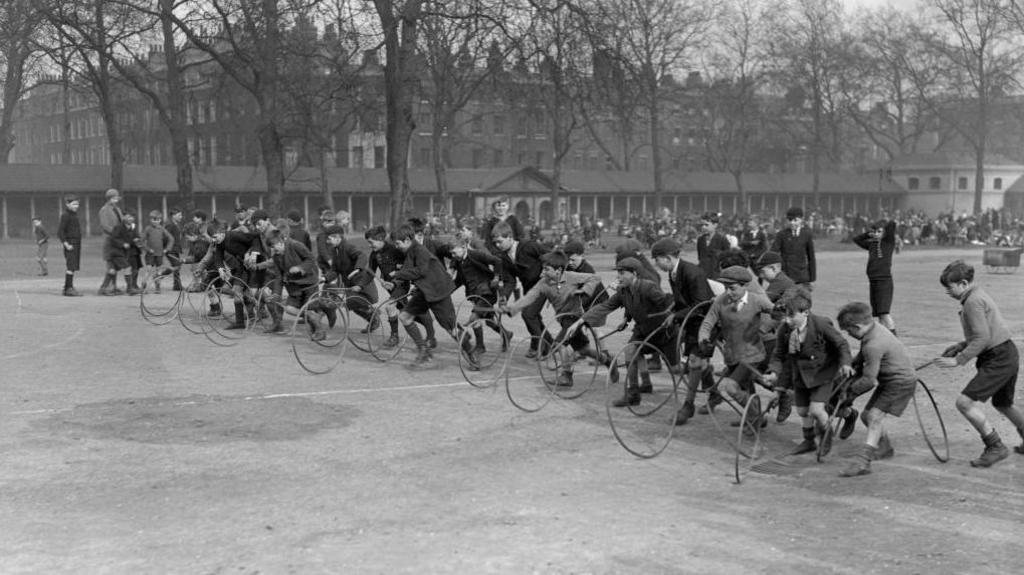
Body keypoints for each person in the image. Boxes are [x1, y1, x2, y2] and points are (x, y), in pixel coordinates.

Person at [936, 260, 1024, 468]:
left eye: (949, 287)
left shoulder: (972, 302)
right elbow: (983, 333)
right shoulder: (977, 295)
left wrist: (959, 360)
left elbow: (982, 338)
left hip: (998, 358)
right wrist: (961, 345)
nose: (947, 292)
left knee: (964, 403)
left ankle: (995, 446)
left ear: (964, 283)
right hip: (1006, 352)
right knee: (1003, 403)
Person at [574, 257, 676, 407]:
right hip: (642, 330)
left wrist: (674, 315)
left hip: (663, 331)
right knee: (631, 351)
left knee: (677, 369)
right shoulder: (623, 291)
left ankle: (707, 378)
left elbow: (668, 302)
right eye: (618, 273)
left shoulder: (648, 287)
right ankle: (634, 394)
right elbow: (605, 306)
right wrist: (581, 321)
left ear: (634, 273)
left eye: (622, 273)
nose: (618, 277)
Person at [764, 287, 854, 455]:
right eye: (784, 316)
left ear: (805, 312)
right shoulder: (785, 330)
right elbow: (778, 355)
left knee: (816, 410)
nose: (787, 321)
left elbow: (841, 344)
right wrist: (774, 373)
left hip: (823, 373)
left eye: (791, 316)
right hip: (800, 375)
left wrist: (846, 364)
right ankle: (809, 441)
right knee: (802, 411)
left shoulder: (821, 324)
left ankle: (826, 436)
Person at [499, 251, 607, 387]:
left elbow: (595, 277)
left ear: (559, 270)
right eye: (543, 269)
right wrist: (511, 309)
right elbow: (529, 297)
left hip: (575, 317)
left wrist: (584, 290)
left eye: (546, 269)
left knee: (559, 344)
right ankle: (606, 359)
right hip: (563, 320)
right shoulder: (543, 283)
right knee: (583, 350)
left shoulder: (571, 277)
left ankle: (566, 376)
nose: (542, 273)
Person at [835, 302, 918, 477]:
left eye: (849, 331)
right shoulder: (873, 330)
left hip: (900, 382)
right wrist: (851, 367)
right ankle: (885, 447)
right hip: (889, 380)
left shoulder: (874, 344)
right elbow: (862, 356)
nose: (849, 334)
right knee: (866, 416)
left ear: (857, 327)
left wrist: (849, 395)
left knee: (874, 417)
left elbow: (869, 380)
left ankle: (863, 462)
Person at [695, 266, 775, 423]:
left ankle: (755, 416)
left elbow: (778, 314)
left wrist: (764, 328)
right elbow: (707, 323)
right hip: (732, 355)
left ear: (744, 286)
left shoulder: (756, 300)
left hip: (752, 354)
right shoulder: (720, 301)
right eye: (725, 288)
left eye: (732, 288)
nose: (728, 292)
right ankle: (755, 418)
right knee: (746, 388)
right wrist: (703, 339)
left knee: (731, 387)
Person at [389, 224, 476, 367]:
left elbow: (420, 272)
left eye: (398, 243)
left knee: (450, 328)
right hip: (425, 291)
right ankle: (423, 351)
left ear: (407, 240)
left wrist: (398, 274)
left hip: (438, 291)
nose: (396, 246)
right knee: (405, 317)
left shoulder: (420, 250)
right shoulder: (410, 251)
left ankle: (470, 351)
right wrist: (393, 283)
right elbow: (408, 270)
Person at [650, 237, 714, 425]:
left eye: (657, 259)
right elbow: (682, 300)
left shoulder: (693, 273)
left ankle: (688, 405)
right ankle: (715, 394)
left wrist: (676, 316)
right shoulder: (673, 273)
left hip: (707, 322)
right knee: (699, 364)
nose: (656, 264)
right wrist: (672, 310)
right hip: (692, 321)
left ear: (668, 258)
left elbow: (701, 305)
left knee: (694, 362)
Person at [492, 221, 550, 358]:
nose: (497, 245)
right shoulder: (504, 257)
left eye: (500, 241)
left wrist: (546, 270)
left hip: (545, 284)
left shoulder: (529, 246)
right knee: (533, 316)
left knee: (528, 314)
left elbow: (549, 256)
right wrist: (504, 296)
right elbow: (510, 280)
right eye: (495, 243)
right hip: (529, 289)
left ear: (510, 237)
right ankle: (548, 343)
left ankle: (543, 347)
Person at [754, 251, 796, 421]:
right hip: (781, 334)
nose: (761, 275)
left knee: (762, 370)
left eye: (763, 271)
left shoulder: (781, 283)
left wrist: (761, 330)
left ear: (775, 267)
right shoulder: (780, 283)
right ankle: (783, 393)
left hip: (787, 336)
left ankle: (784, 395)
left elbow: (776, 313)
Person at [321, 224, 380, 338]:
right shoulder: (335, 251)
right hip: (351, 285)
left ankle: (372, 313)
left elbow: (362, 256)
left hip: (362, 284)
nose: (328, 242)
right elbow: (335, 270)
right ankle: (373, 319)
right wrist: (324, 278)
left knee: (352, 302)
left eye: (330, 239)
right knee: (352, 305)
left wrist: (357, 268)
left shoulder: (348, 247)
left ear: (338, 238)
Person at [853, 219, 898, 333]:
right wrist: (869, 233)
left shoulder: (888, 243)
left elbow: (892, 225)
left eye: (880, 232)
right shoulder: (871, 244)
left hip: (884, 282)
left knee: (885, 314)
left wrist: (884, 224)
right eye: (875, 232)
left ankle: (894, 340)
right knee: (879, 315)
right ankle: (884, 339)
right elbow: (856, 239)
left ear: (885, 233)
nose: (877, 234)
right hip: (873, 281)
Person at [771, 207, 816, 287]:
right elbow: (773, 253)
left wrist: (812, 278)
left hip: (802, 276)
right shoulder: (781, 235)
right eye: (789, 220)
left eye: (795, 220)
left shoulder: (806, 234)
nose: (792, 223)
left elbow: (811, 257)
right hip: (786, 274)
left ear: (801, 220)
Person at [108, 210, 143, 296]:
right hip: (116, 252)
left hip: (123, 253)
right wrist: (122, 244)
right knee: (127, 267)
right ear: (123, 217)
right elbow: (113, 239)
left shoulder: (131, 228)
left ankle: (107, 288)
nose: (131, 218)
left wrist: (137, 241)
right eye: (128, 216)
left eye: (132, 217)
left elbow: (134, 238)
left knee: (113, 270)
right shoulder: (119, 227)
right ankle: (129, 289)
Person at [141, 210, 176, 293]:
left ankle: (157, 287)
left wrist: (167, 249)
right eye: (154, 219)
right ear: (150, 220)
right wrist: (148, 249)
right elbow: (142, 241)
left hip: (159, 254)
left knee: (158, 271)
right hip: (150, 254)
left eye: (158, 219)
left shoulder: (162, 229)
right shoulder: (148, 229)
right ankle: (143, 287)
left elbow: (171, 239)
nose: (156, 221)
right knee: (148, 270)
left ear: (160, 220)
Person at [98, 188, 124, 295]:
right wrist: (115, 233)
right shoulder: (104, 210)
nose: (116, 200)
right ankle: (104, 287)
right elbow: (105, 225)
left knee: (115, 263)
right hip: (109, 240)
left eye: (116, 198)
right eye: (114, 198)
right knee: (110, 264)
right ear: (109, 198)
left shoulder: (117, 210)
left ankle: (113, 286)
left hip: (117, 240)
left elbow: (121, 222)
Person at [57, 195, 83, 297]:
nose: (76, 206)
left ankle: (68, 286)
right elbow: (60, 232)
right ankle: (68, 288)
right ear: (67, 204)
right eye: (74, 204)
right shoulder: (65, 215)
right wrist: (66, 244)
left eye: (77, 204)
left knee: (73, 266)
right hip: (70, 244)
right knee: (70, 266)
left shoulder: (74, 215)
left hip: (76, 244)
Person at [697, 212, 730, 280]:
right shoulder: (700, 240)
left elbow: (727, 259)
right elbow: (700, 257)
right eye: (702, 225)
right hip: (703, 275)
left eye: (706, 225)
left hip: (717, 275)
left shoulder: (722, 240)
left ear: (715, 225)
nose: (703, 227)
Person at [165, 208, 185, 290]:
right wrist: (167, 248)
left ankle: (176, 284)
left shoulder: (176, 224)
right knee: (176, 265)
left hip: (176, 249)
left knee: (177, 265)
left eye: (181, 215)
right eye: (179, 215)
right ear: (173, 216)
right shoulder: (170, 225)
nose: (181, 217)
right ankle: (159, 275)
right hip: (171, 250)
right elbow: (166, 236)